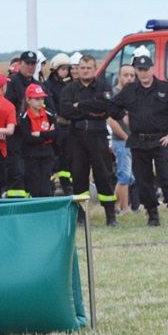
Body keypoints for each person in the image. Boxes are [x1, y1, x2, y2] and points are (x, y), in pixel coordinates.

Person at [110, 55, 168, 228]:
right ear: (136, 71)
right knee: (144, 182)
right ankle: (152, 216)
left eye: (146, 69)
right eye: (139, 70)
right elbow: (112, 106)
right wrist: (123, 116)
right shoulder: (130, 90)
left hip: (161, 141)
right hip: (139, 141)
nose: (143, 73)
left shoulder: (165, 89)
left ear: (152, 69)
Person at [59, 54, 119, 227]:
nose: (85, 71)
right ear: (78, 69)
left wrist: (81, 106)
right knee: (78, 177)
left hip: (98, 136)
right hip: (76, 138)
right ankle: (81, 217)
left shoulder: (103, 86)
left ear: (95, 69)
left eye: (89, 68)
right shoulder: (69, 89)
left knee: (104, 176)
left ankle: (110, 215)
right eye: (82, 68)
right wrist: (92, 108)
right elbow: (66, 111)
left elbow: (106, 108)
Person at [5, 50, 48, 198]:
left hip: (35, 139)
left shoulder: (39, 85)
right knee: (17, 174)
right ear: (20, 64)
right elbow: (9, 108)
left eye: (33, 64)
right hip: (17, 136)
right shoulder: (12, 83)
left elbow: (49, 109)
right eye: (27, 63)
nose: (30, 67)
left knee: (35, 176)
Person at [107, 64, 136, 214]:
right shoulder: (115, 95)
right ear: (119, 76)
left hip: (131, 140)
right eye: (126, 75)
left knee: (129, 176)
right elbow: (110, 121)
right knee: (124, 175)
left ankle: (116, 205)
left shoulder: (132, 95)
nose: (129, 78)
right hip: (121, 140)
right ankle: (125, 208)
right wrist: (126, 137)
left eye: (132, 75)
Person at [18, 84, 57, 197]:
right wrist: (47, 136)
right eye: (37, 99)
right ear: (28, 100)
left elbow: (55, 134)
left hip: (47, 154)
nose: (40, 102)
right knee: (34, 186)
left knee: (46, 186)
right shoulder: (24, 117)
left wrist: (39, 134)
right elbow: (28, 138)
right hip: (31, 155)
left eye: (42, 98)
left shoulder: (49, 114)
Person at [45, 53, 74, 195]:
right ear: (55, 69)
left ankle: (67, 186)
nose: (66, 72)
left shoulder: (69, 85)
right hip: (55, 127)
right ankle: (50, 186)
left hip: (68, 128)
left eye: (67, 69)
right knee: (53, 159)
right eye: (63, 69)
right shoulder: (47, 86)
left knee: (67, 159)